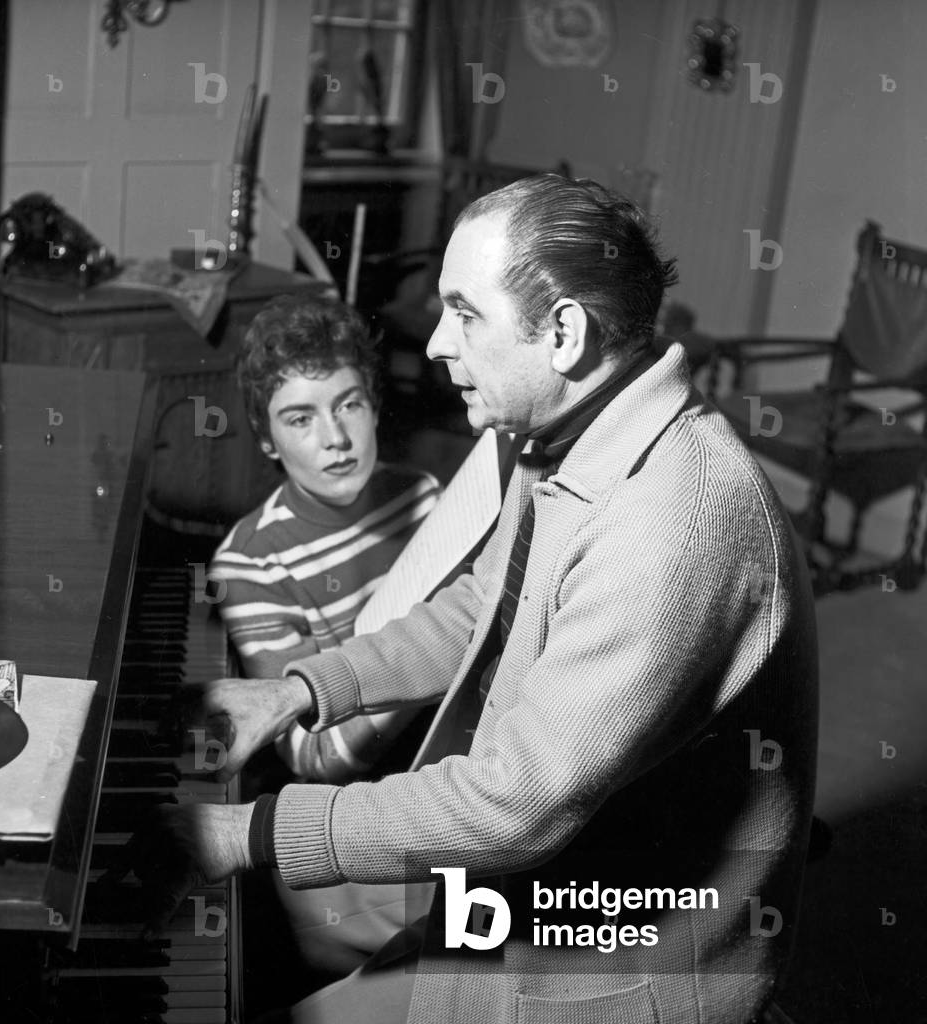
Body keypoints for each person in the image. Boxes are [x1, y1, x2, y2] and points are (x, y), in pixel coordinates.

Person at [125, 175, 818, 1024]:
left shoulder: (673, 523)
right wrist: (298, 690)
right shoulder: (564, 439)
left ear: (562, 331)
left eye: (465, 312)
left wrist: (247, 834)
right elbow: (479, 610)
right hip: (522, 897)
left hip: (610, 963)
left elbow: (511, 807)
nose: (438, 346)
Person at [207, 294, 441, 977]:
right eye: (300, 418)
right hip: (342, 838)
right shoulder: (249, 562)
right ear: (265, 438)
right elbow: (316, 754)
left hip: (446, 780)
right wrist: (433, 660)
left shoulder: (423, 496)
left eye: (349, 405)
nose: (335, 439)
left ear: (374, 404)